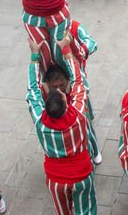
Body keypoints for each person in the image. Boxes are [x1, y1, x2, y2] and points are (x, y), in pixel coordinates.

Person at [25, 30, 97, 215]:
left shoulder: (40, 122)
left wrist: (35, 56)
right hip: (82, 175)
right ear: (66, 101)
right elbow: (78, 80)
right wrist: (66, 50)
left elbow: (32, 90)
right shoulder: (79, 114)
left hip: (55, 180)